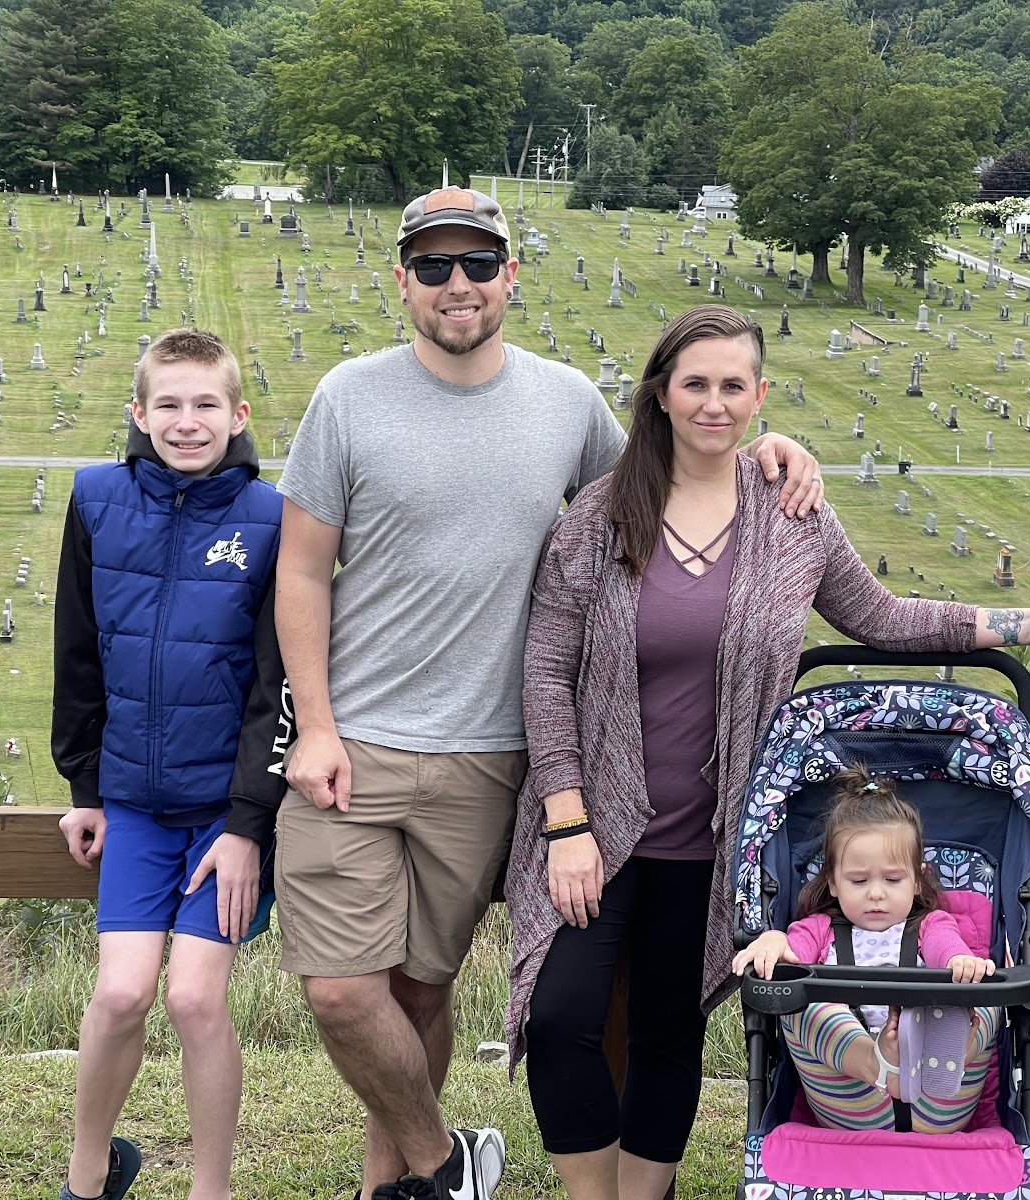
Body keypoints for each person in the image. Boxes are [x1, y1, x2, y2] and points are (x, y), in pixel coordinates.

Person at [274, 191, 821, 1200]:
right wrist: (313, 726)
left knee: (421, 988)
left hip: (493, 756)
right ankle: (445, 1164)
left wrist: (765, 453)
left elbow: (668, 484)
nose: (457, 286)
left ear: (510, 277)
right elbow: (302, 570)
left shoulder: (566, 402)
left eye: (477, 264)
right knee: (344, 990)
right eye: (432, 268)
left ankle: (387, 1188)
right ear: (401, 281)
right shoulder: (346, 397)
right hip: (354, 740)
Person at [504, 304, 1030, 1200]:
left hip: (719, 836)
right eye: (695, 384)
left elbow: (883, 618)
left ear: (757, 397)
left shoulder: (791, 515)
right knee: (561, 1020)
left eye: (733, 386)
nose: (714, 404)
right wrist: (566, 818)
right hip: (596, 825)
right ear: (662, 395)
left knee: (672, 1032)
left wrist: (1020, 625)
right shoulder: (603, 517)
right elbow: (546, 671)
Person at [51, 328, 287, 1200]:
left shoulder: (272, 517)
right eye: (170, 406)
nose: (188, 423)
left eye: (207, 405)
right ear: (139, 414)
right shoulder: (96, 499)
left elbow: (280, 683)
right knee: (119, 997)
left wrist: (249, 826)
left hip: (228, 817)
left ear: (238, 414)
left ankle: (210, 1188)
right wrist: (85, 787)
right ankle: (89, 1177)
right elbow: (77, 650)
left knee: (193, 999)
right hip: (136, 805)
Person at [732, 765, 1002, 1135]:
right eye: (859, 880)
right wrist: (774, 940)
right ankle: (877, 1061)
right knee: (798, 1000)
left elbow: (945, 947)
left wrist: (960, 963)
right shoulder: (819, 931)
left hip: (937, 1101)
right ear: (832, 883)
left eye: (893, 880)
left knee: (989, 994)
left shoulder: (931, 925)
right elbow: (792, 952)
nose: (876, 893)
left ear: (918, 878)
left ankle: (956, 1050)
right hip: (851, 1103)